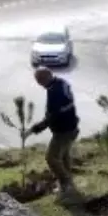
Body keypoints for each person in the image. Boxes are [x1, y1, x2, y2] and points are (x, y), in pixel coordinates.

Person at [28, 67, 80, 201]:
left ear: (46, 78)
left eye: (39, 80)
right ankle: (69, 185)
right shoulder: (61, 83)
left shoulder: (54, 91)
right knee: (63, 157)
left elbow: (53, 116)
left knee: (51, 158)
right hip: (71, 127)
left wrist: (35, 129)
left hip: (64, 130)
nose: (38, 83)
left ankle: (66, 183)